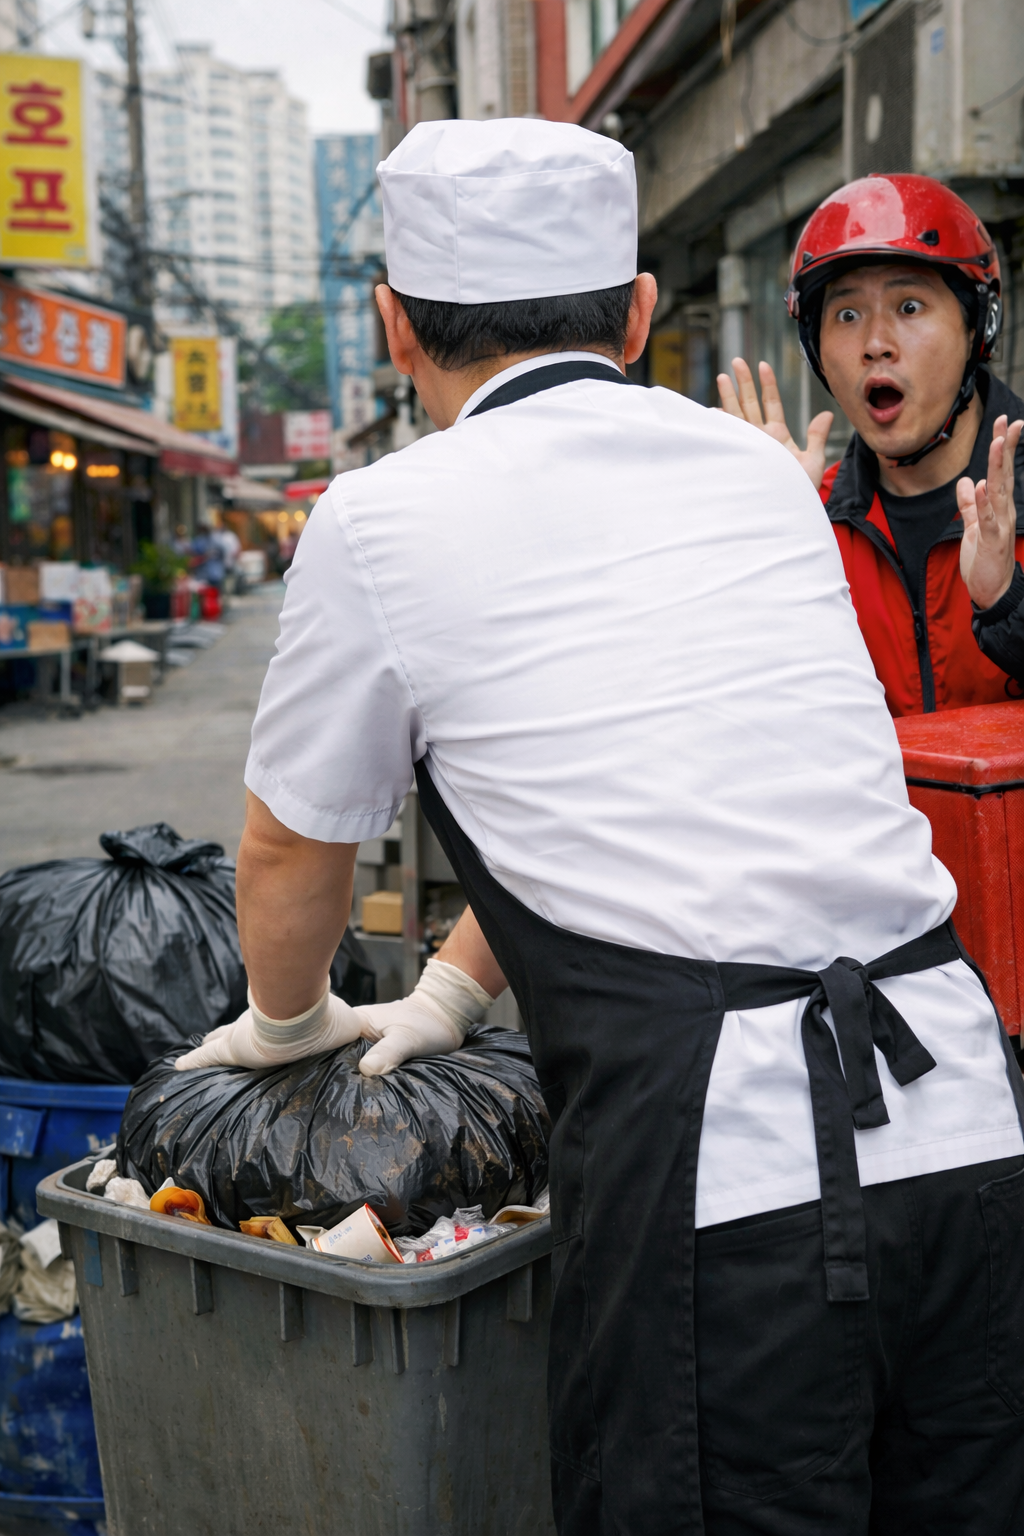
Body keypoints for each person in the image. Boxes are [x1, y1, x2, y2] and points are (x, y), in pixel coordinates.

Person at [177, 122, 1024, 1535]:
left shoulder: (380, 519)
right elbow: (659, 793)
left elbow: (288, 852)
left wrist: (282, 1025)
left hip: (733, 1185)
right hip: (967, 1123)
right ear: (639, 315)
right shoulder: (760, 477)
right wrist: (451, 990)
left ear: (394, 328)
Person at [717, 173, 1024, 717]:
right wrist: (767, 542)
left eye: (909, 307)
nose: (876, 345)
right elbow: (749, 717)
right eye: (848, 315)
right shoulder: (811, 516)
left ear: (979, 327)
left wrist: (1007, 602)